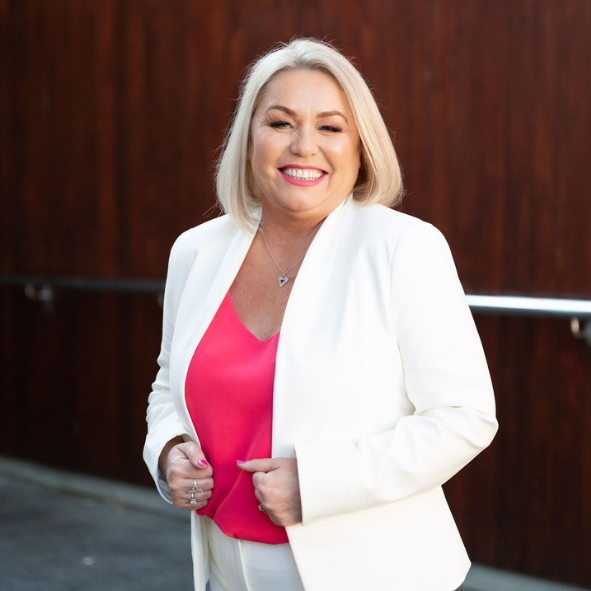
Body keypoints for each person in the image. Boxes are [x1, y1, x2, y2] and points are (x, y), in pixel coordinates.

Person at [143, 38, 498, 591]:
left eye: (331, 127)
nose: (303, 146)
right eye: (280, 123)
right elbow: (168, 384)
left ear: (361, 147)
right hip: (221, 571)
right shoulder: (195, 251)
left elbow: (465, 416)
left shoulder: (404, 247)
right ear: (248, 138)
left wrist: (319, 482)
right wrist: (166, 450)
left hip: (371, 574)